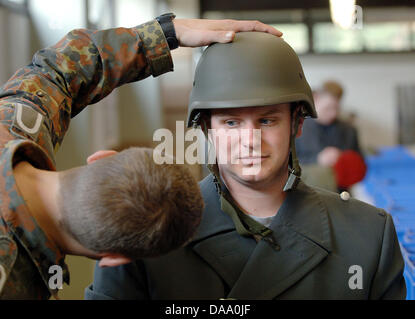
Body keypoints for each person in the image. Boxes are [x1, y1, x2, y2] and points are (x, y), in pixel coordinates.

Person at [86, 32, 406, 300]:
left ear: (297, 124)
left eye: (267, 120)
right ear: (207, 128)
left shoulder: (367, 237)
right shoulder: (149, 234)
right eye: (231, 122)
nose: (250, 140)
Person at [0, 15, 282, 299]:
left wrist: (165, 33)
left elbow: (59, 69)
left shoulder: (13, 125)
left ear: (101, 157)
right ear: (114, 260)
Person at [296, 81, 366, 191]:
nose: (333, 114)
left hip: (340, 194)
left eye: (336, 109)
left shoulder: (349, 131)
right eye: (328, 108)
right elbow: (286, 165)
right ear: (315, 99)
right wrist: (317, 159)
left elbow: (360, 165)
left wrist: (342, 160)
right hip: (306, 192)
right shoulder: (296, 129)